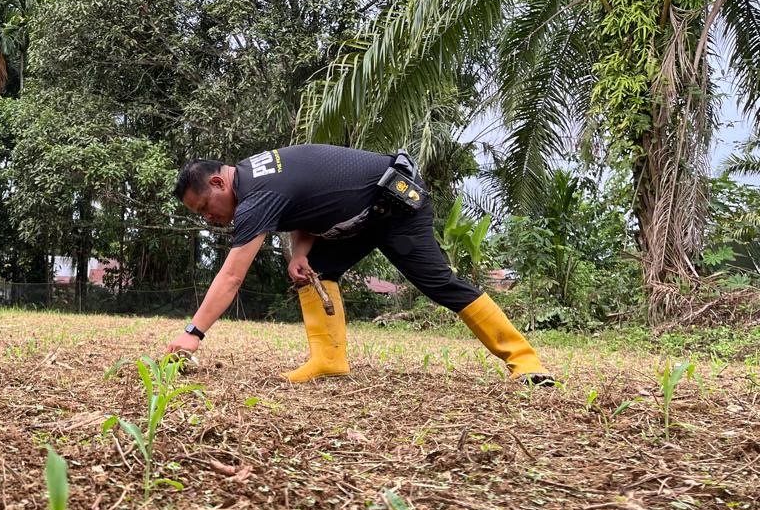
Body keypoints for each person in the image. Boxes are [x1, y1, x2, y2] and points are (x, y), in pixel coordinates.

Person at [166, 144, 552, 385]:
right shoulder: (254, 175)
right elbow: (305, 205)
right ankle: (329, 359)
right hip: (365, 213)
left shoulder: (255, 195)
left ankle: (525, 361)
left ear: (217, 183)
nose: (209, 218)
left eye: (205, 208)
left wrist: (193, 333)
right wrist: (299, 253)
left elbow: (233, 276)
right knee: (315, 271)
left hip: (397, 204)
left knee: (439, 284)